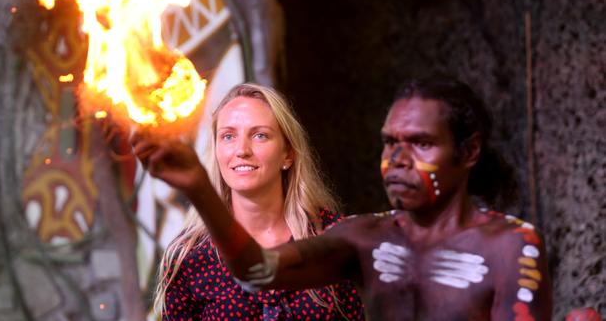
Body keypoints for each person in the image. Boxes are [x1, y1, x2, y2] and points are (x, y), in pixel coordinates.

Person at [133, 78, 553, 320]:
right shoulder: (363, 237)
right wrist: (198, 187)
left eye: (420, 143)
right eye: (390, 143)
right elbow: (256, 270)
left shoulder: (511, 245)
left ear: (468, 152)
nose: (398, 160)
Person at [149, 83, 364, 320]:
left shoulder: (333, 237)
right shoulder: (188, 255)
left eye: (260, 135)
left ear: (288, 154)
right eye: (228, 136)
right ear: (216, 150)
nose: (242, 150)